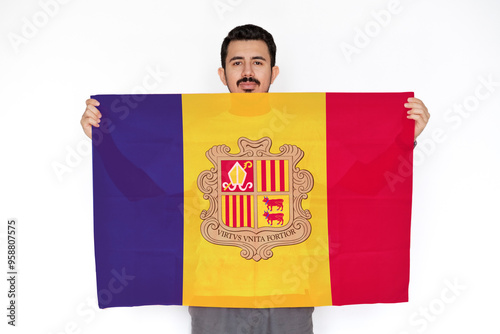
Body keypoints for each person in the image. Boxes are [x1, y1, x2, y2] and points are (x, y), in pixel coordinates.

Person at [81, 24, 430, 334]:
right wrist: (105, 142)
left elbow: (361, 187)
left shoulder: (307, 129)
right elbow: (144, 192)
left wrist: (402, 140)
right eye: (237, 63)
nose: (247, 72)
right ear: (222, 74)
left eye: (257, 62)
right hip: (213, 290)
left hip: (290, 289)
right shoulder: (194, 130)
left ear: (274, 72)